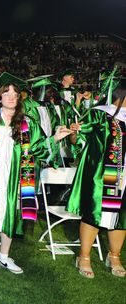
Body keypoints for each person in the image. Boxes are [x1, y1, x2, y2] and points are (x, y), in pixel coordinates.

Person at [0, 73, 71, 275]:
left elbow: (39, 147)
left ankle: (3, 256)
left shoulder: (27, 123)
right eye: (6, 93)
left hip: (15, 178)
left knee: (10, 214)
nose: (11, 97)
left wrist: (55, 138)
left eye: (15, 93)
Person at [67, 76, 126, 279]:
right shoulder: (101, 115)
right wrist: (74, 132)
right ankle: (84, 257)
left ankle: (115, 256)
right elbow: (77, 139)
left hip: (125, 176)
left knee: (121, 217)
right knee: (94, 213)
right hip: (103, 175)